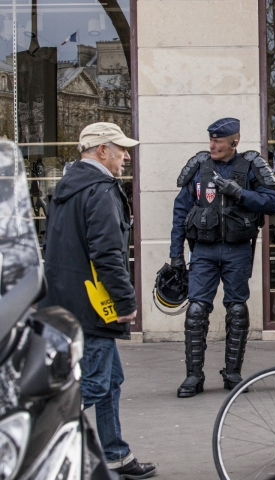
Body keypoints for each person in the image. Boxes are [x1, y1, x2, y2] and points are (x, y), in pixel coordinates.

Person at [39, 122, 156, 479]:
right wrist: (126, 301)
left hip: (65, 301)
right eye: (120, 149)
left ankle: (116, 456)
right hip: (92, 305)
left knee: (111, 379)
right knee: (94, 382)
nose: (126, 155)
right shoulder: (101, 190)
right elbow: (107, 252)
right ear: (101, 150)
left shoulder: (68, 187)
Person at [170, 117, 275, 397]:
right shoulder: (199, 166)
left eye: (218, 141)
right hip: (204, 251)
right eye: (210, 140)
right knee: (195, 311)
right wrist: (175, 256)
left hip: (237, 249)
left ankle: (232, 373)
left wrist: (240, 193)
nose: (212, 146)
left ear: (235, 141)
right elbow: (180, 213)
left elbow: (273, 202)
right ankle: (193, 377)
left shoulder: (251, 166)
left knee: (236, 310)